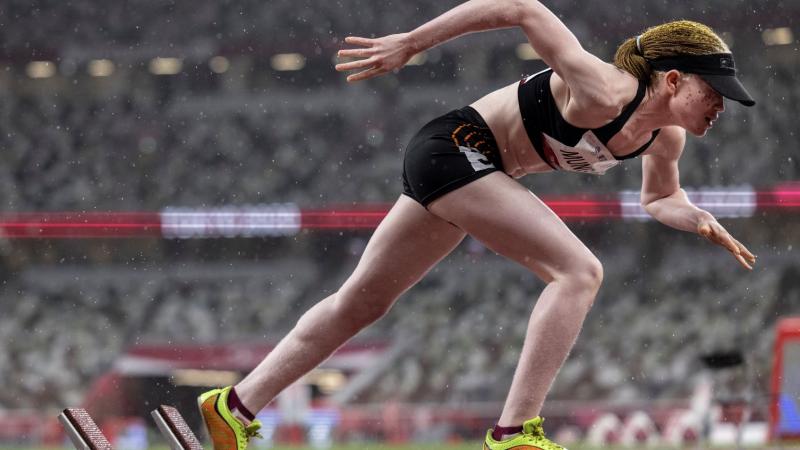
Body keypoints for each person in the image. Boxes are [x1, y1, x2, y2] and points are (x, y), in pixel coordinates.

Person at [196, 1, 758, 448]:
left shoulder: (667, 136)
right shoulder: (605, 88)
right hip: (457, 147)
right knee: (579, 272)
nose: (722, 107)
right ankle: (514, 433)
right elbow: (523, 7)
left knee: (360, 303)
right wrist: (411, 44)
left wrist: (695, 216)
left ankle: (234, 405)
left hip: (466, 167)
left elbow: (660, 196)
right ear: (675, 79)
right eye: (715, 93)